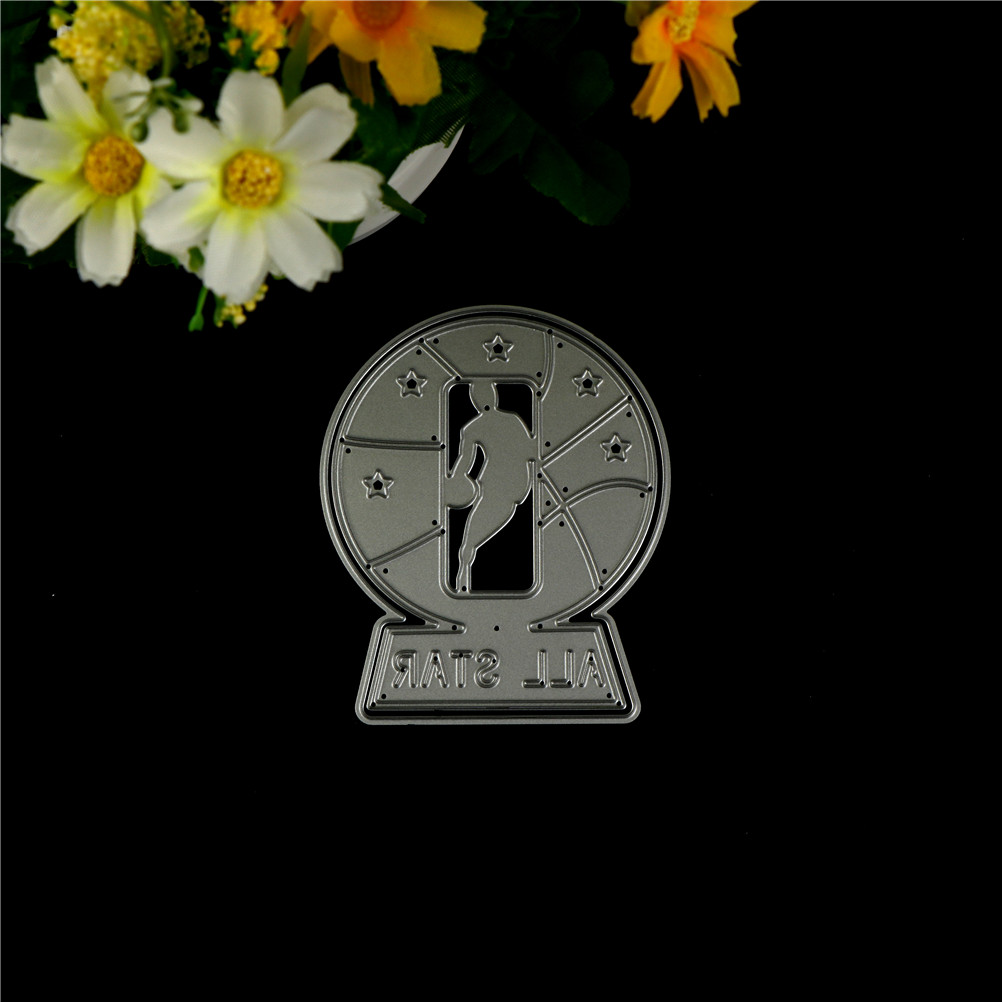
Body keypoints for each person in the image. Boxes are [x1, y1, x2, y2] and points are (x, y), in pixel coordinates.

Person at [446, 380, 536, 592]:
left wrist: (456, 478)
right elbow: (530, 450)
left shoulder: (473, 427)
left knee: (470, 540)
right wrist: (456, 479)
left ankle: (463, 576)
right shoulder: (511, 420)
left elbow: (464, 462)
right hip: (512, 483)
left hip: (500, 485)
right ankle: (463, 580)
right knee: (471, 537)